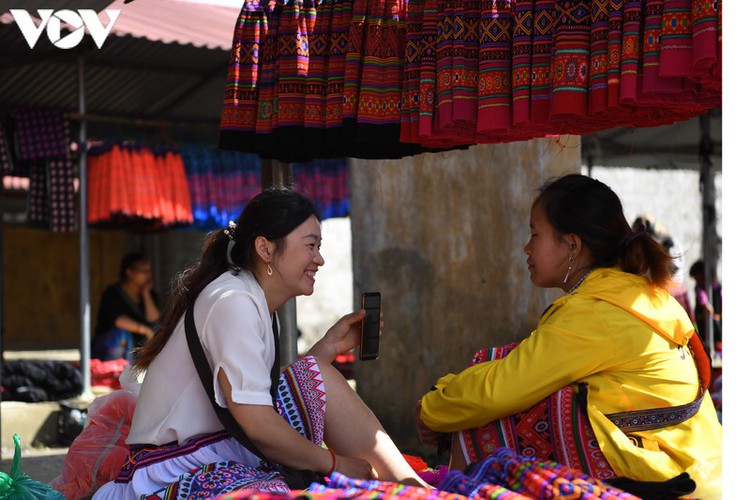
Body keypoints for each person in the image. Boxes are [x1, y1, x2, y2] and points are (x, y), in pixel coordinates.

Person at [93, 187, 428, 498]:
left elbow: (259, 396)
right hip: (172, 469)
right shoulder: (233, 299)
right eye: (310, 246)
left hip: (217, 448)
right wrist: (334, 464)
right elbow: (256, 422)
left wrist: (327, 348)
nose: (319, 259)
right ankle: (411, 489)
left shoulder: (251, 299)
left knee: (316, 374)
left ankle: (410, 488)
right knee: (314, 387)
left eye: (319, 247)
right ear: (265, 248)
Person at [415, 174, 722, 499]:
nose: (527, 248)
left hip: (668, 475)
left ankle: (458, 491)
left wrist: (433, 408)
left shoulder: (594, 312)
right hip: (699, 462)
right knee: (510, 377)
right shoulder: (631, 291)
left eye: (535, 235)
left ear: (572, 245)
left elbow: (500, 389)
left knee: (496, 400)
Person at [92, 252, 161, 362]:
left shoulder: (150, 294)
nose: (149, 276)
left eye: (149, 272)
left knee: (157, 328)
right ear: (130, 273)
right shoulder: (113, 293)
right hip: (110, 346)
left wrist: (146, 293)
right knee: (122, 334)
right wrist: (145, 330)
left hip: (136, 347)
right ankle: (121, 374)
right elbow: (119, 321)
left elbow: (153, 319)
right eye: (144, 272)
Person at [689, 259, 722, 351]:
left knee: (718, 336)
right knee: (704, 337)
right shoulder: (698, 287)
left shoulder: (716, 286)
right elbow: (702, 298)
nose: (696, 279)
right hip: (702, 318)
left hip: (716, 317)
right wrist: (705, 304)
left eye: (697, 276)